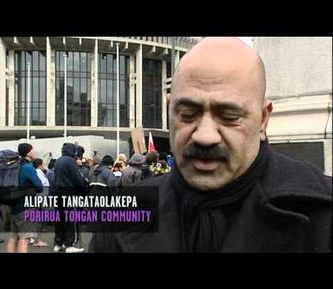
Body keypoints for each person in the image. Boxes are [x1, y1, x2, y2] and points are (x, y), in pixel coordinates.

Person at [89, 37, 332, 253]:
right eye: (187, 113)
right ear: (169, 109)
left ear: (263, 119)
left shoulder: (323, 213)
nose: (205, 136)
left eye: (228, 116)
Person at [6, 143, 43, 253]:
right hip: (25, 206)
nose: (34, 151)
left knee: (13, 237)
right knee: (24, 238)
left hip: (13, 205)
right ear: (28, 152)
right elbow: (39, 186)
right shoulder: (28, 167)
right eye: (33, 149)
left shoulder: (14, 166)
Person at [53, 143, 86, 253]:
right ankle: (69, 244)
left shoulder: (58, 161)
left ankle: (58, 243)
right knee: (70, 219)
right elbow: (77, 180)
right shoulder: (71, 161)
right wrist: (83, 188)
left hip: (57, 193)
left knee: (60, 219)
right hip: (68, 193)